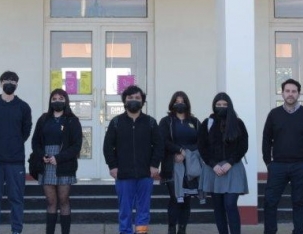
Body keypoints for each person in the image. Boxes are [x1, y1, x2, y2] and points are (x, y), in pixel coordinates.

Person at [262, 78, 303, 234]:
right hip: (278, 166)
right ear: (282, 93)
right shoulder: (274, 114)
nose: (290, 94)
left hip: (300, 165)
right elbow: (266, 139)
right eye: (287, 91)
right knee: (270, 201)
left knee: (298, 202)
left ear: (298, 94)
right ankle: (270, 231)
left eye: (294, 91)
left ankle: (298, 231)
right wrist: (269, 163)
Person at [103, 85, 163, 234]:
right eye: (130, 98)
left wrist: (155, 165)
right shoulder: (116, 122)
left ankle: (141, 232)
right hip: (123, 174)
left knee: (143, 209)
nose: (134, 100)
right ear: (124, 101)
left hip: (145, 174)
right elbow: (107, 147)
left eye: (137, 98)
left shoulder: (150, 122)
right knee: (125, 210)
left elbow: (159, 145)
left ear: (143, 101)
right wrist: (113, 166)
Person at [0, 71, 33, 234]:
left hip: (16, 161)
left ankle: (16, 230)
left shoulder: (24, 107)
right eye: (6, 80)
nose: (9, 83)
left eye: (13, 81)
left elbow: (26, 131)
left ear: (17, 84)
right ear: (0, 83)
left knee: (17, 199)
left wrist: (14, 143)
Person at [30, 88, 82, 234]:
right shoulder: (43, 119)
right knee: (51, 202)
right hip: (46, 164)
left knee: (64, 200)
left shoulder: (72, 120)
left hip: (64, 163)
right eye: (54, 99)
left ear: (66, 101)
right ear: (50, 101)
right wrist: (42, 155)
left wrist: (58, 158)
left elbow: (76, 145)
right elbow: (35, 142)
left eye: (61, 98)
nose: (57, 101)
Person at [198, 92, 249, 234]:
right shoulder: (207, 123)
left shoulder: (238, 123)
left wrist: (230, 163)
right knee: (218, 207)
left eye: (225, 105)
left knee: (230, 204)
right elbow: (202, 147)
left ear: (230, 105)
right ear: (214, 106)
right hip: (212, 169)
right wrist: (213, 164)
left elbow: (243, 146)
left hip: (233, 168)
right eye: (218, 104)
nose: (221, 107)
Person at [159, 91, 201, 234]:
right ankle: (172, 229)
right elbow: (163, 141)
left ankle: (182, 230)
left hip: (191, 166)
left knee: (187, 200)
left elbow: (201, 142)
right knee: (175, 198)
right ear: (172, 104)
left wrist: (186, 152)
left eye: (182, 101)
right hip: (172, 165)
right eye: (177, 101)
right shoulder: (166, 121)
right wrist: (178, 150)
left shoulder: (194, 122)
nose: (179, 104)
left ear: (187, 104)